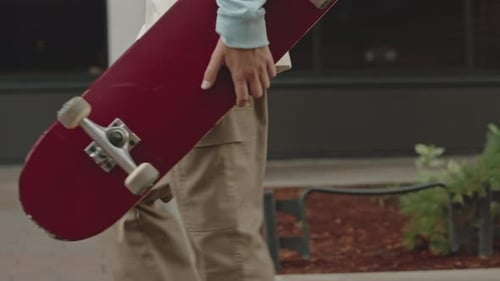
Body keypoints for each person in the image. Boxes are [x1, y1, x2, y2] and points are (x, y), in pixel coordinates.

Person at [101, 0, 291, 280]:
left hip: (210, 56)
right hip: (167, 56)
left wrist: (241, 24)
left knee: (225, 247)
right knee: (109, 189)